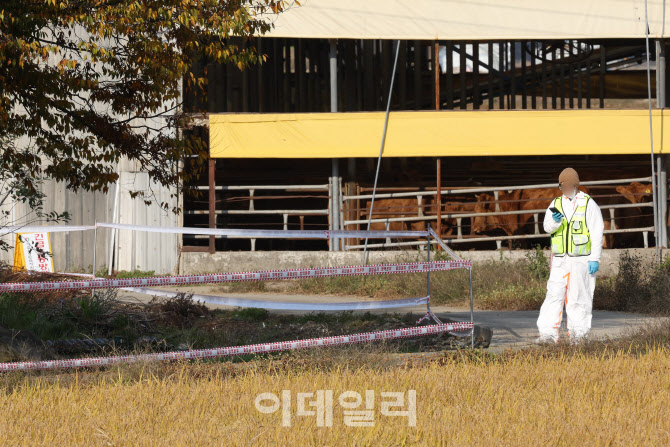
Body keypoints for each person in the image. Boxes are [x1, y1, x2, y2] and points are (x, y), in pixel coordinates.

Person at [536, 168, 604, 343]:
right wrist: (555, 221)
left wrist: (595, 259)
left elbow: (597, 232)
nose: (564, 188)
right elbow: (547, 227)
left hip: (581, 260)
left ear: (575, 185)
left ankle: (579, 337)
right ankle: (548, 336)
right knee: (553, 296)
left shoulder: (589, 204)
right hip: (559, 260)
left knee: (578, 298)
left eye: (567, 184)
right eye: (561, 185)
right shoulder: (556, 203)